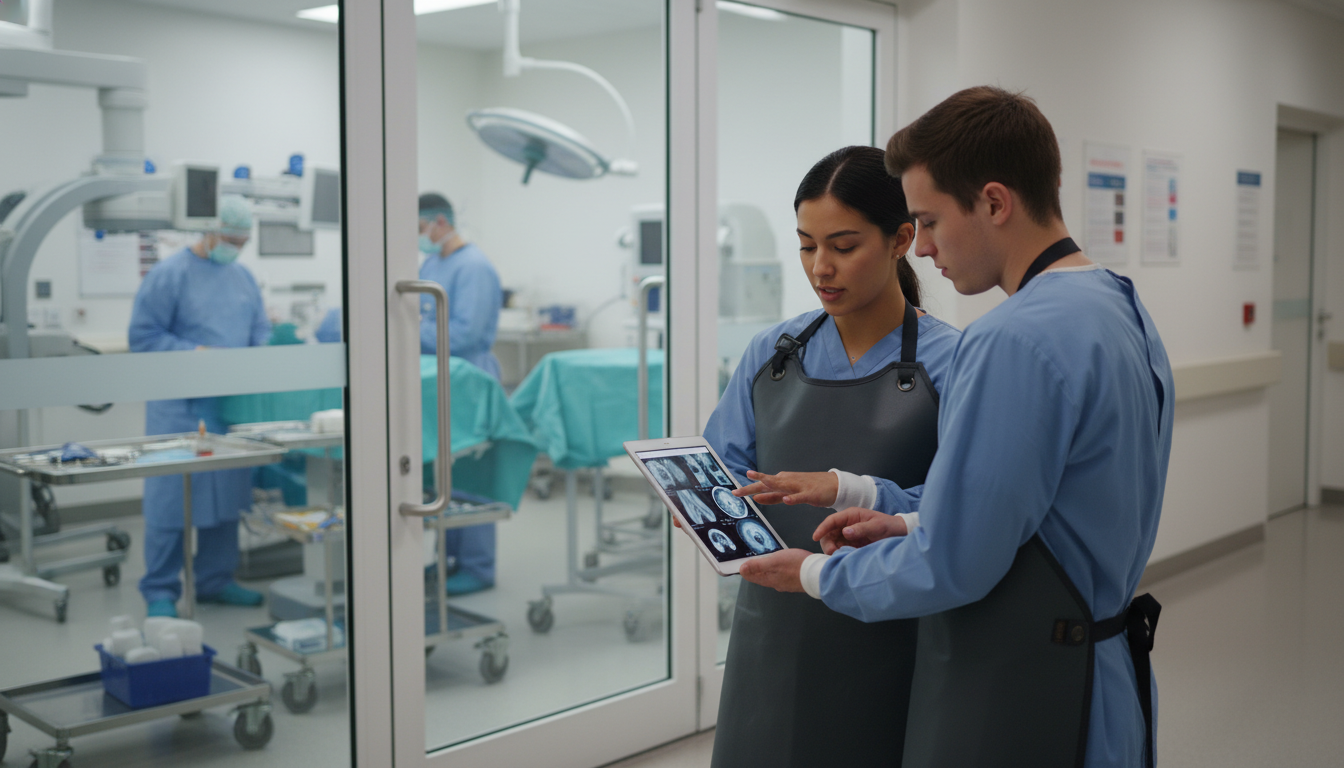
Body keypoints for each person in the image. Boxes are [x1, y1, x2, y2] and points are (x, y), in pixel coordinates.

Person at [739, 87, 1173, 768]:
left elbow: (956, 561)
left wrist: (816, 575)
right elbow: (1045, 509)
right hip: (1100, 674)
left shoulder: (1012, 339)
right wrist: (899, 515)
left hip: (1032, 690)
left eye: (931, 221)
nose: (927, 248)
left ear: (996, 202)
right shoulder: (1118, 305)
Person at [701, 146, 961, 768]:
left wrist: (859, 492)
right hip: (774, 622)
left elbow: (961, 505)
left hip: (891, 624)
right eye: (806, 245)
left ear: (902, 238)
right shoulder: (774, 350)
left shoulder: (953, 361)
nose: (821, 268)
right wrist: (701, 504)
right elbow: (723, 467)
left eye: (844, 246)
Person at [129, 194, 270, 618]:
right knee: (172, 497)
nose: (235, 247)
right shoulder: (169, 275)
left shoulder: (243, 278)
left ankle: (215, 580)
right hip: (179, 405)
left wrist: (262, 357)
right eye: (229, 238)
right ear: (208, 231)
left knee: (227, 495)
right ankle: (159, 590)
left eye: (242, 241)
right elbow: (144, 336)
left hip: (228, 406)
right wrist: (196, 353)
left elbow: (258, 330)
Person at [417, 192, 503, 594]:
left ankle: (477, 566)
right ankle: (448, 558)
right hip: (439, 381)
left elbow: (464, 333)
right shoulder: (432, 262)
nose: (418, 236)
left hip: (468, 381)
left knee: (471, 476)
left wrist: (407, 333)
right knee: (442, 477)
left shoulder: (475, 267)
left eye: (420, 228)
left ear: (439, 221)